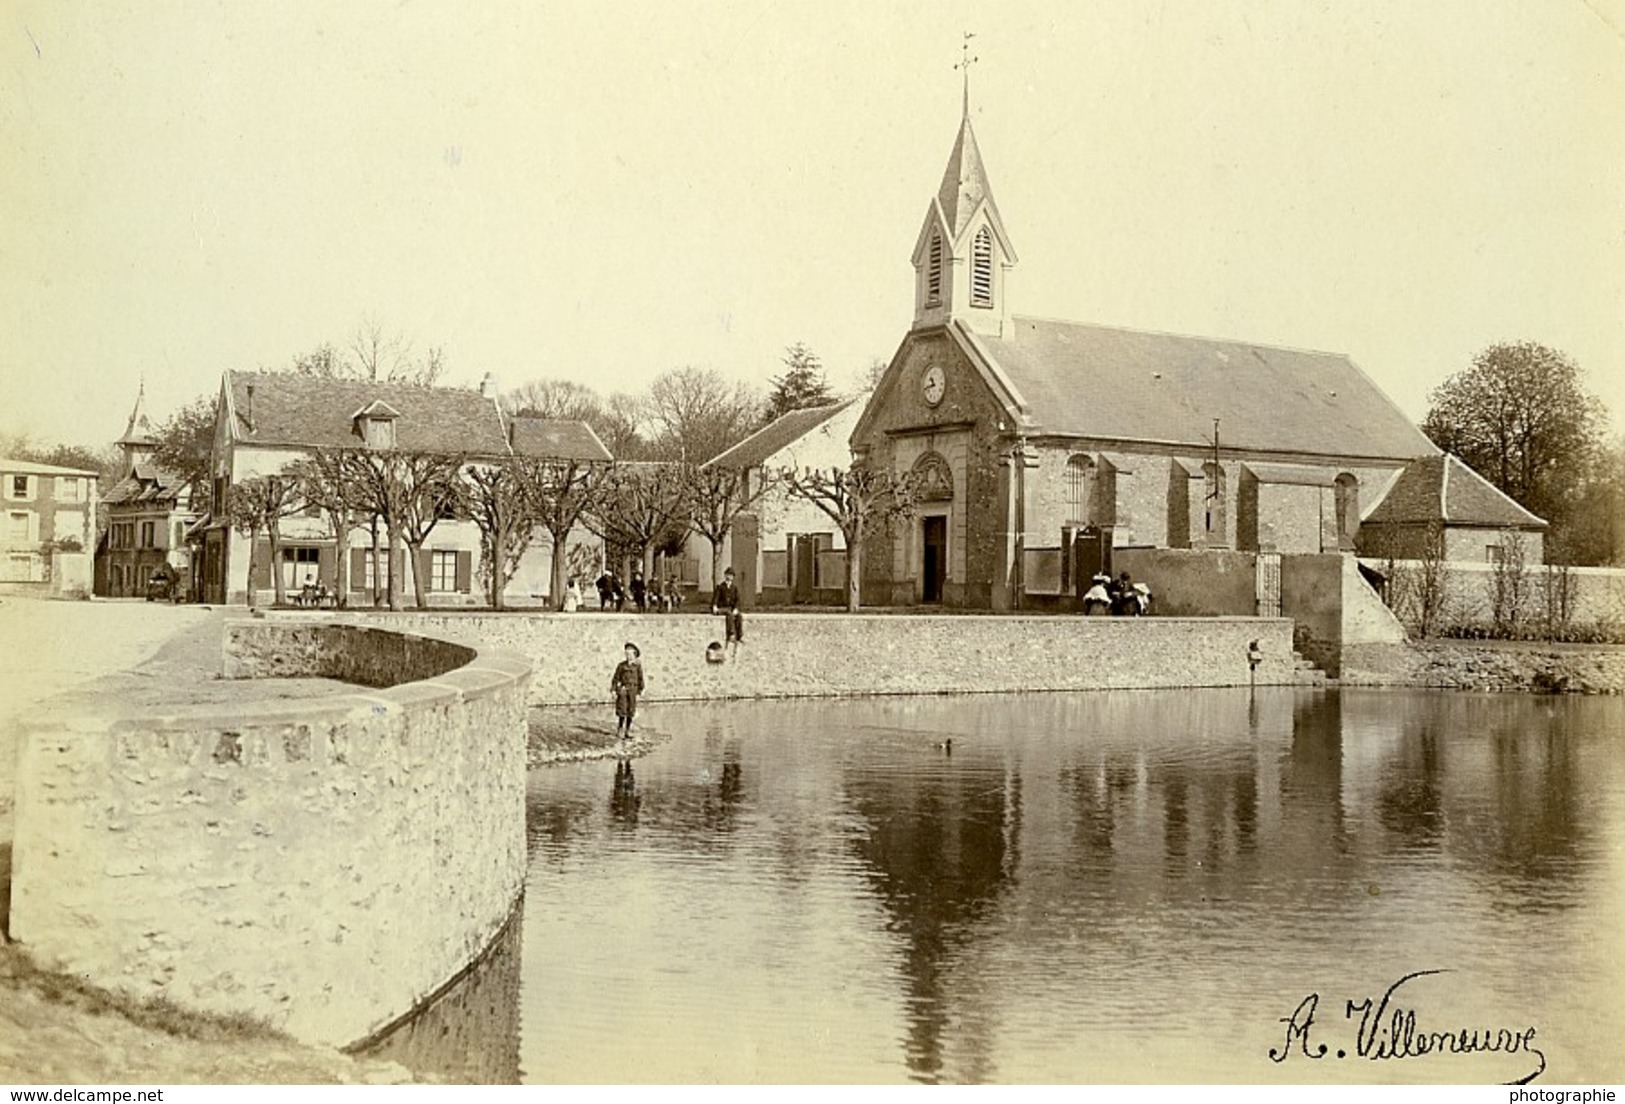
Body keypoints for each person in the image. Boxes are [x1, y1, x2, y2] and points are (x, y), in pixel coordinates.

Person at [611, 641, 644, 738]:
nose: (628, 656)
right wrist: (614, 690)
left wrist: (640, 690)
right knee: (622, 710)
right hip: (623, 690)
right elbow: (615, 678)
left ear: (635, 655)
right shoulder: (621, 666)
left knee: (631, 710)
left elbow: (640, 678)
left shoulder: (637, 666)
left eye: (630, 654)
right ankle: (620, 729)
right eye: (626, 654)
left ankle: (627, 731)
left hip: (633, 690)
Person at [712, 567, 743, 655]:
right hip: (722, 608)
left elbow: (738, 600)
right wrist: (714, 606)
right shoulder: (720, 587)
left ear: (733, 577)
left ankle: (739, 635)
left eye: (731, 575)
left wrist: (736, 609)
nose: (729, 577)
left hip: (730, 608)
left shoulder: (734, 588)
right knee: (729, 614)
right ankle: (731, 634)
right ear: (725, 575)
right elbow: (716, 598)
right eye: (728, 575)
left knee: (739, 616)